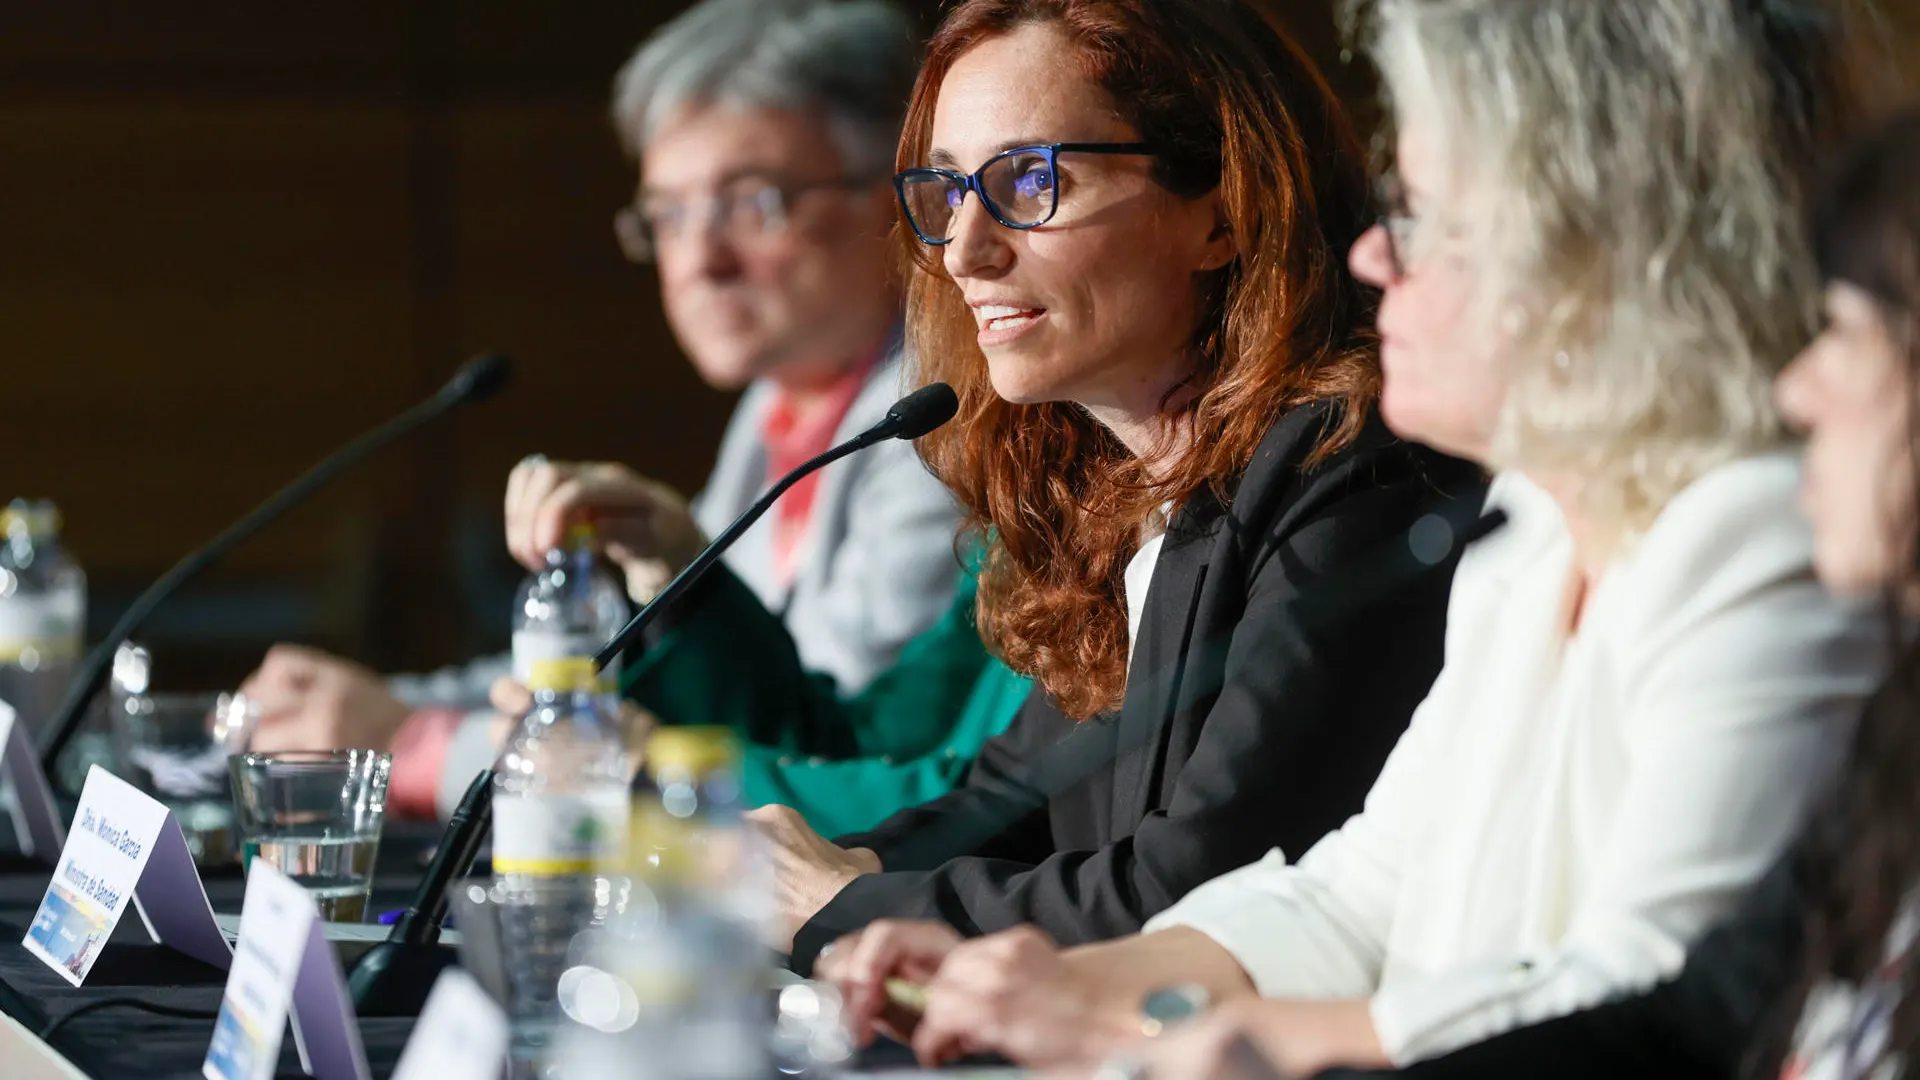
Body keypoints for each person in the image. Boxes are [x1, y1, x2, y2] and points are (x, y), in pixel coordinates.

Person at [816, 0, 1884, 1071]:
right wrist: (1050, 980)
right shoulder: (1536, 542)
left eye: (1421, 215)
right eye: (948, 190)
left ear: (1595, 249)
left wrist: (1192, 1029)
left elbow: (1654, 1002)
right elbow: (1353, 895)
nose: (1372, 251)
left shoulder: (1748, 544)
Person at [747, 0, 1485, 966]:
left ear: (1221, 209)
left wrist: (848, 907)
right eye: (945, 193)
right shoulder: (1132, 496)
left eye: (1029, 180)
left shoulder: (1354, 471)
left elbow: (1199, 891)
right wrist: (774, 880)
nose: (965, 252)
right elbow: (1009, 807)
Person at [239, 0, 977, 827]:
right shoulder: (781, 405)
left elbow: (818, 737)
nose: (701, 260)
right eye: (669, 214)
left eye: (753, 201)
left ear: (896, 198)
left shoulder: (939, 419)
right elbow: (614, 669)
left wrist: (420, 742)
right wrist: (374, 708)